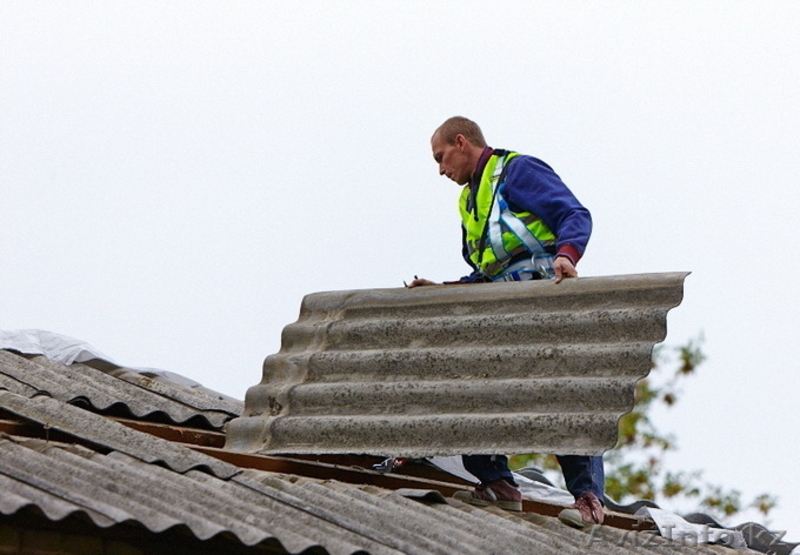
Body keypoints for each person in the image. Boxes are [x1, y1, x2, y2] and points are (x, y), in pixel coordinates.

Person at [409, 116, 604, 526]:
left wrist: (566, 255)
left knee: (559, 392)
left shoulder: (516, 170)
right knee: (470, 382)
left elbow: (574, 214)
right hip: (500, 306)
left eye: (441, 158)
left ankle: (587, 499)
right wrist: (444, 289)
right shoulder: (468, 201)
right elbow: (487, 271)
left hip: (539, 297)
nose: (440, 170)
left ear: (461, 142)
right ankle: (497, 482)